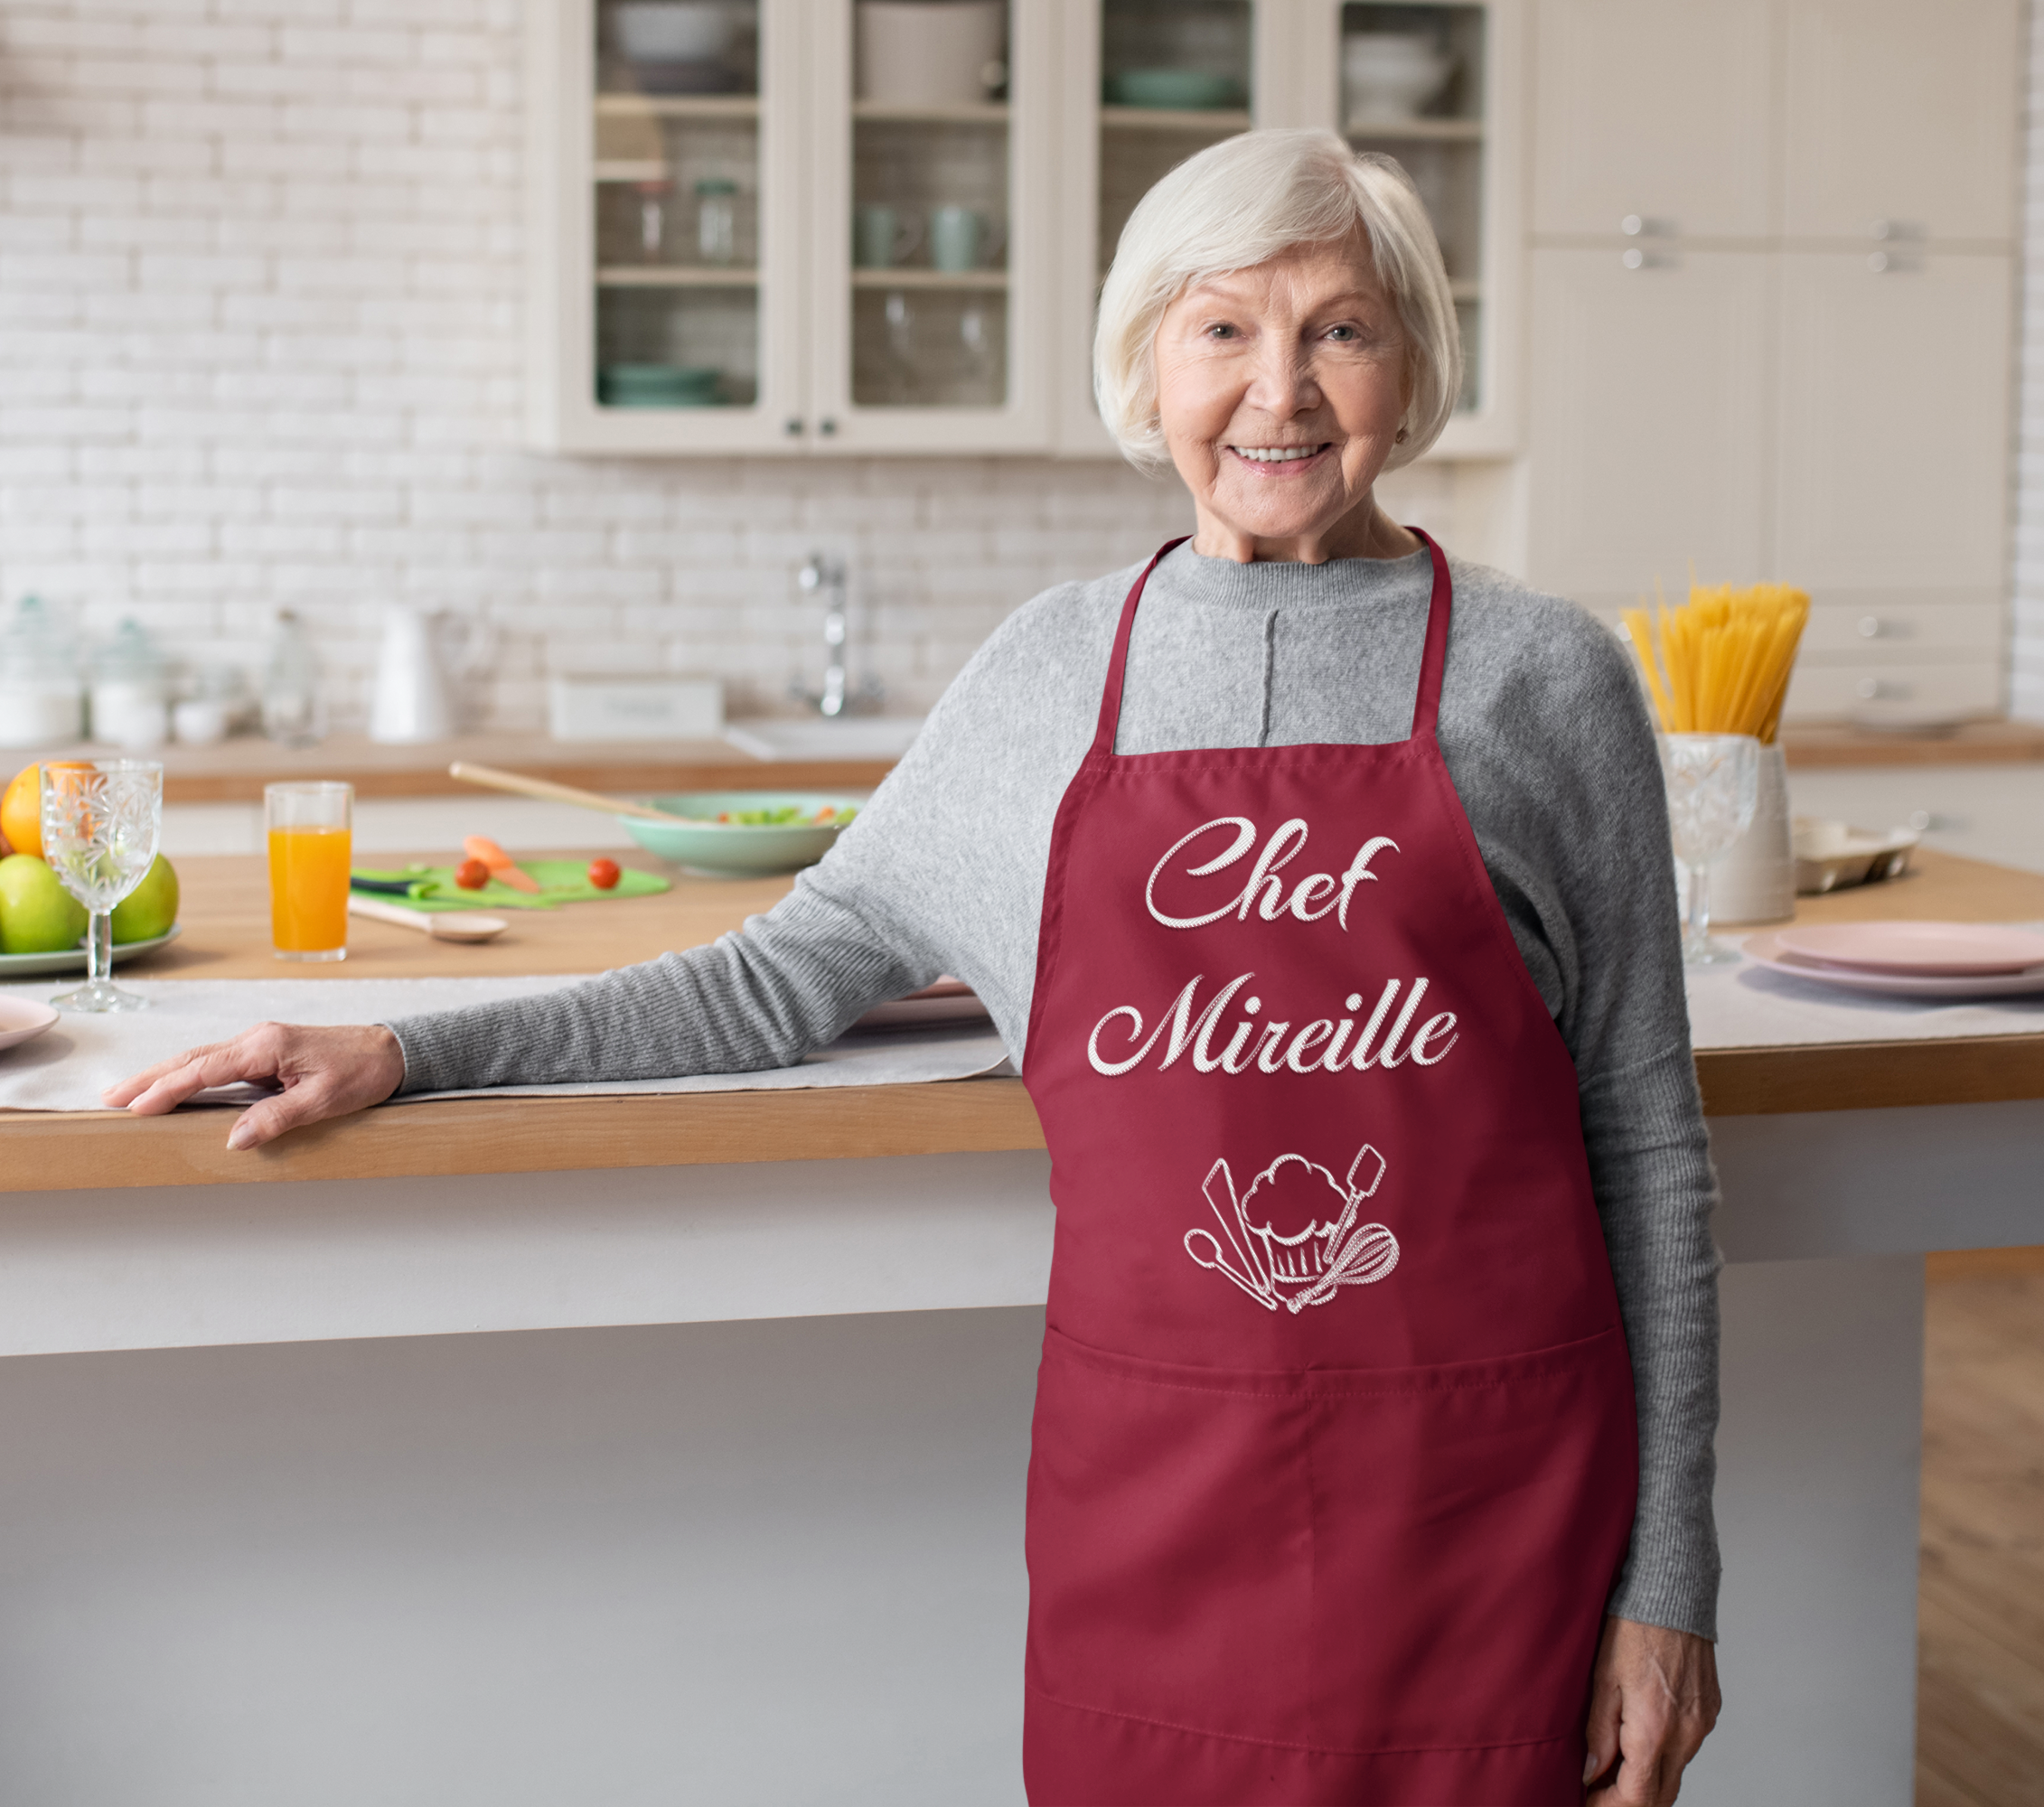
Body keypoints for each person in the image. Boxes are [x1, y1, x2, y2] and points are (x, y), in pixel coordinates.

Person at [111, 129, 1721, 1806]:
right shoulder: (1045, 676)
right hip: (1156, 1494)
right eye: (1220, 328)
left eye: (1341, 328)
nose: (1280, 391)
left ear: (1412, 364)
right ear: (1145, 364)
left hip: (1491, 1501)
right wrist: (407, 1050)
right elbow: (778, 973)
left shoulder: (1547, 684)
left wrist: (1667, 1584)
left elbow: (1648, 1139)